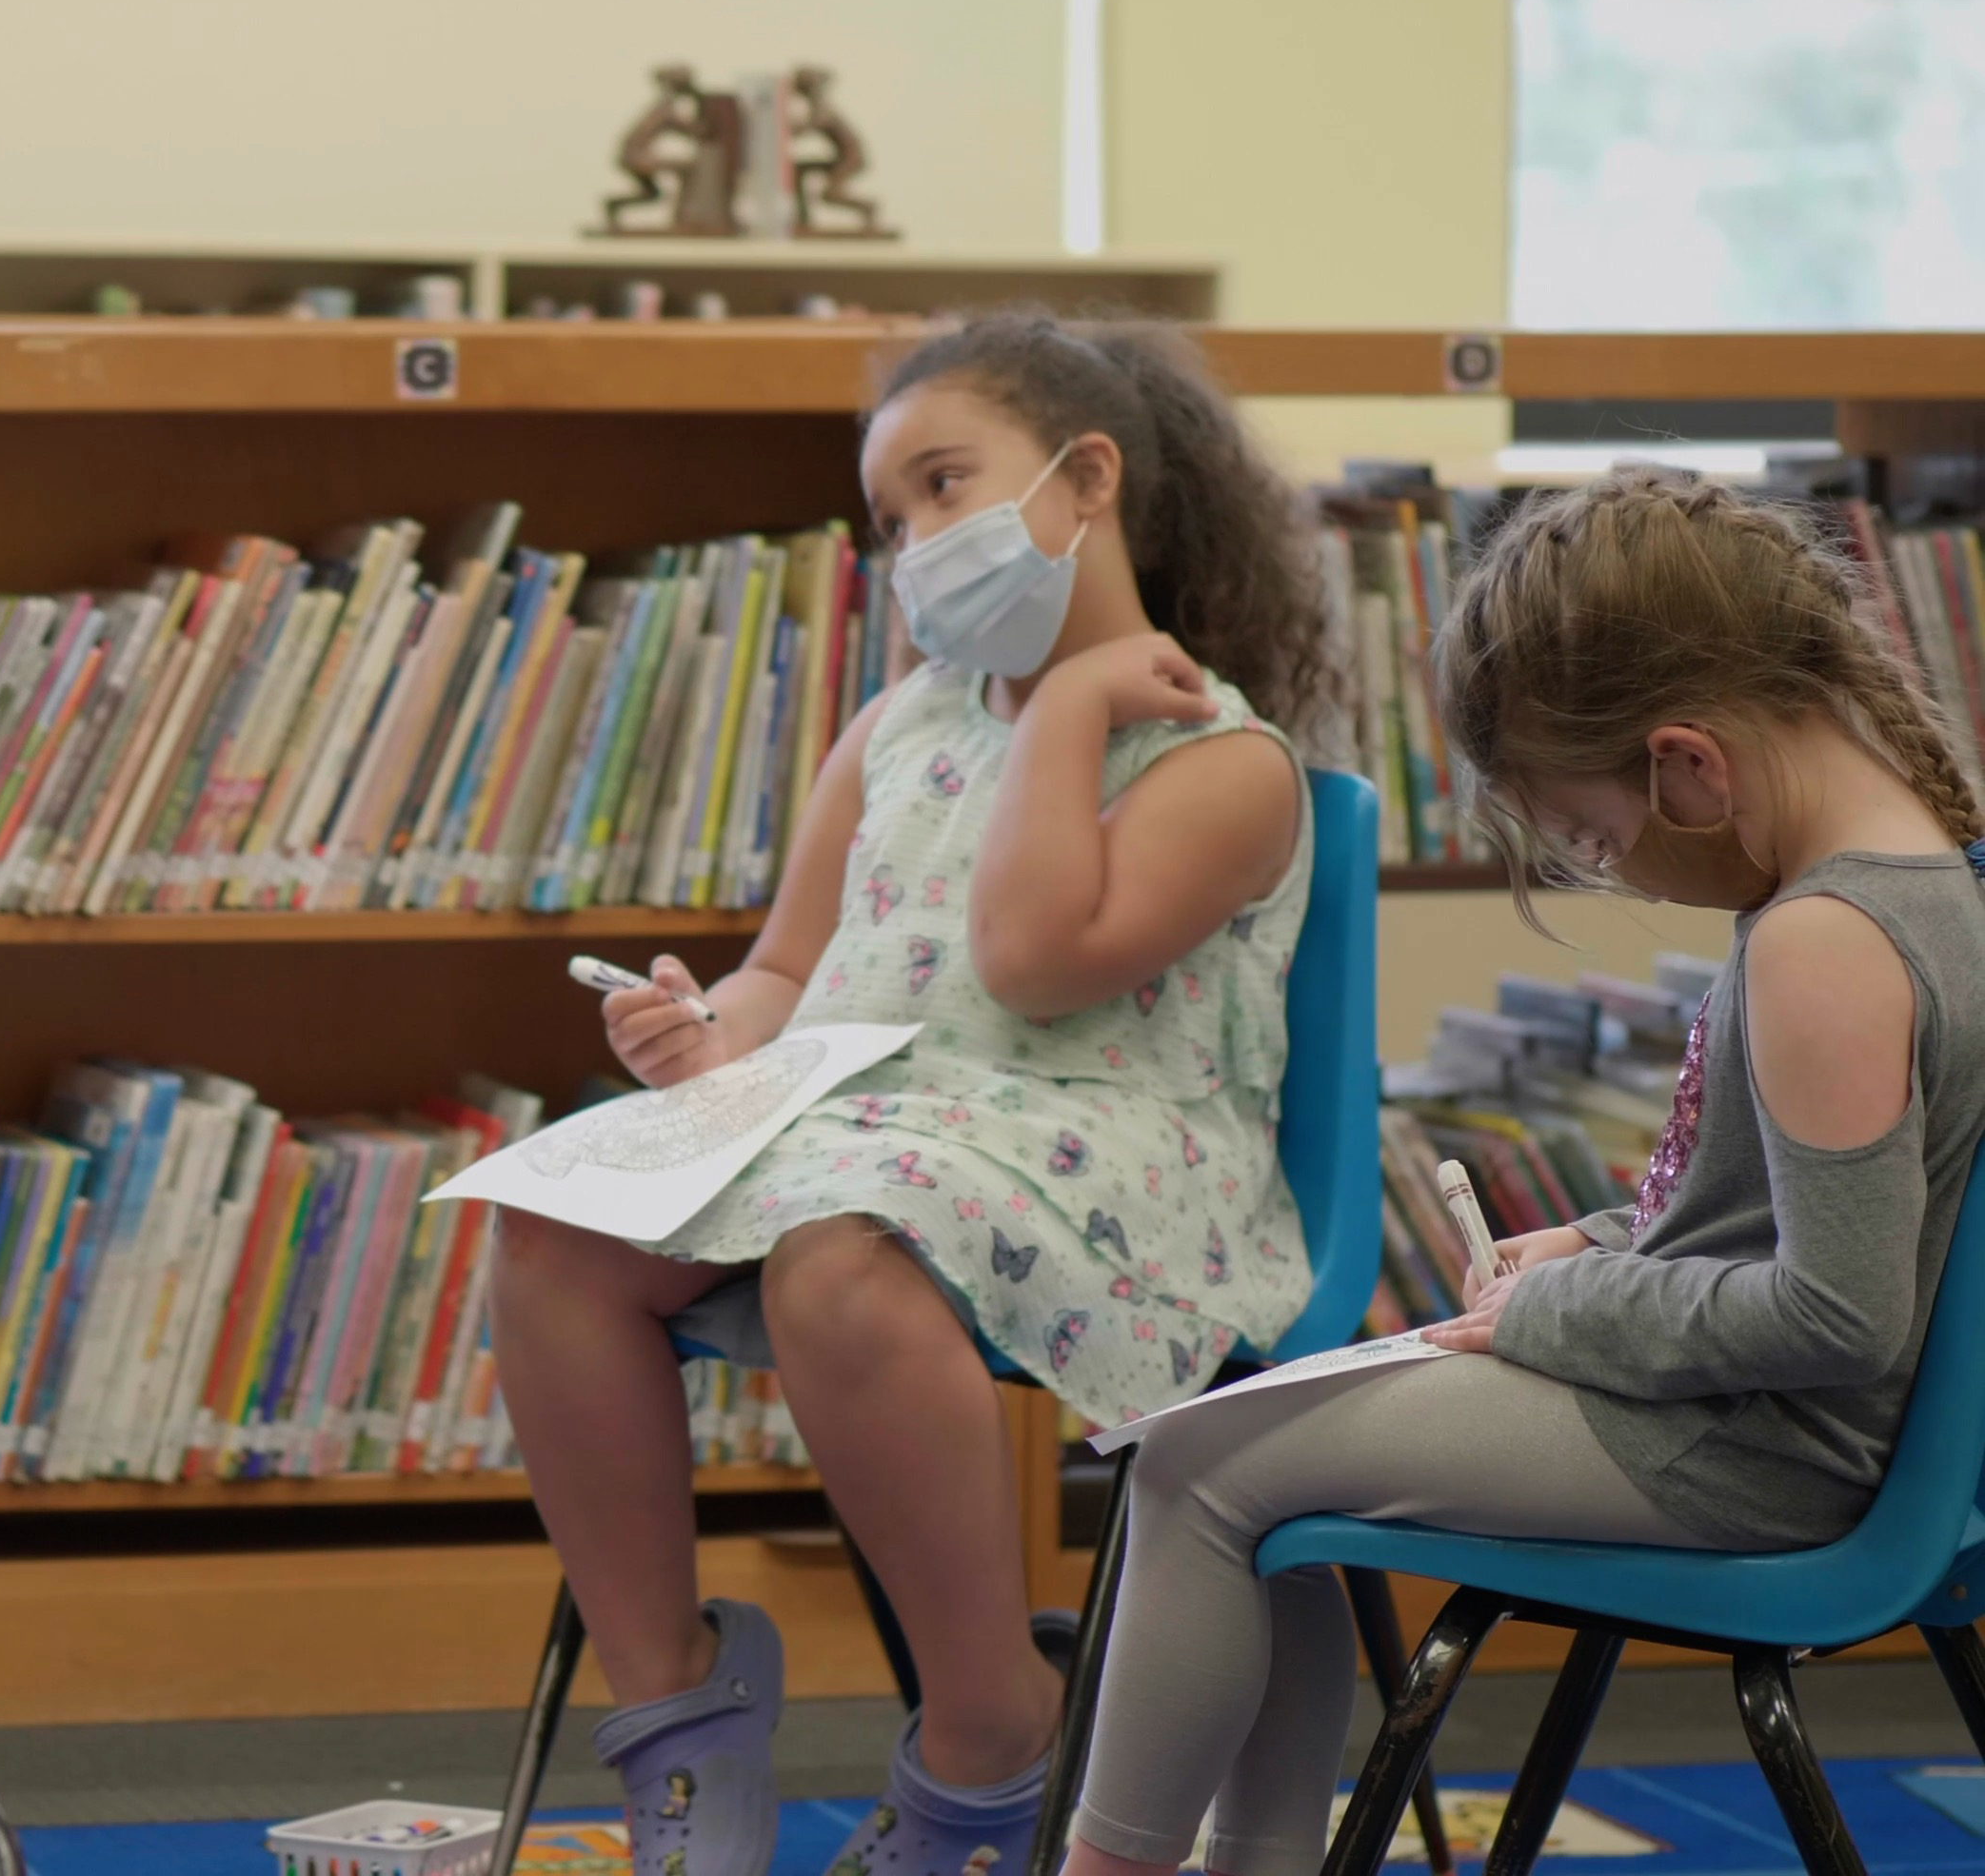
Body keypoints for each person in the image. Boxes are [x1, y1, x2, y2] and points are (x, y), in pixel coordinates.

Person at [491, 311, 1343, 1876]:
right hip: (870, 1126)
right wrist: (704, 1031)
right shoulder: (897, 728)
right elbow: (788, 971)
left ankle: (985, 1729)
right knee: (546, 1234)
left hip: (1109, 1160)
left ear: (1086, 480)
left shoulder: (1228, 766)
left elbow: (1030, 962)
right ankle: (679, 1721)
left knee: (841, 1261)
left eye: (947, 487)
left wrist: (1077, 707)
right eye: (893, 520)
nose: (918, 546)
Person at [1062, 474, 1985, 1876]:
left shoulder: (1823, 943)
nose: (1621, 876)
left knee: (1195, 1466)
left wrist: (1553, 1313)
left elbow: (1839, 1315)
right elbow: (1826, 1216)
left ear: (1690, 764)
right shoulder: (1925, 879)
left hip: (1754, 1454)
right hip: (1752, 1422)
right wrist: (1605, 1242)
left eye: (1599, 839)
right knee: (1239, 1468)